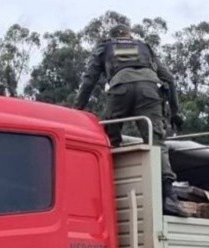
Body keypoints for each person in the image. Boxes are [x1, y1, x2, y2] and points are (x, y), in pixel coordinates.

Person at [74, 24, 189, 217]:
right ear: (129, 35)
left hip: (120, 89)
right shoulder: (144, 46)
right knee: (156, 143)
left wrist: (77, 110)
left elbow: (89, 80)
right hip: (149, 90)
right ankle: (169, 197)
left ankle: (109, 183)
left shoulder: (105, 47)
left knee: (109, 136)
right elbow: (169, 78)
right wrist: (175, 111)